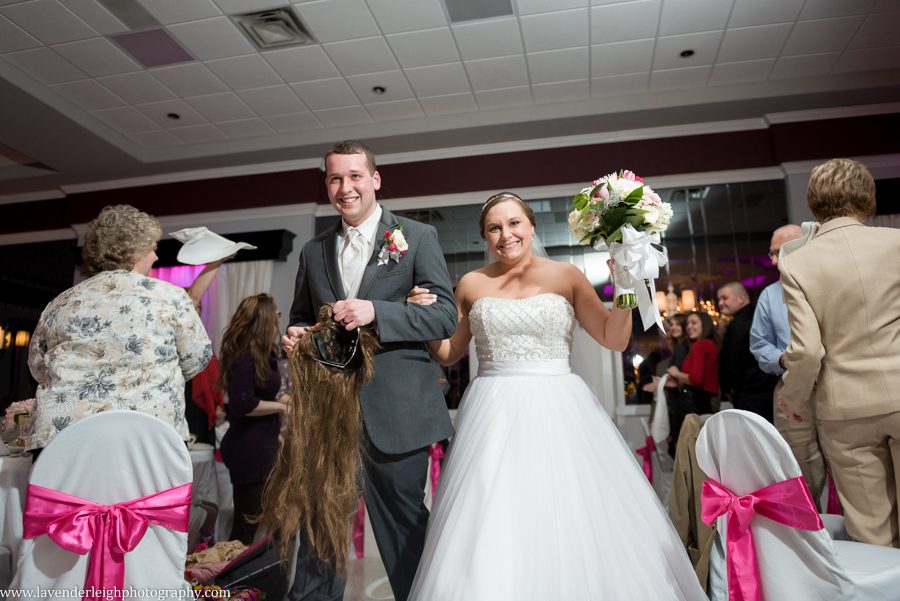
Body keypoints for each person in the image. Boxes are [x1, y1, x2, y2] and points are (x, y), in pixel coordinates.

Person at [405, 192, 706, 600]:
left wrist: (625, 288)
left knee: (567, 510)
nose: (505, 235)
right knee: (494, 518)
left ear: (531, 225)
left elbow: (614, 339)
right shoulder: (472, 284)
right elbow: (448, 352)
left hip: (560, 407)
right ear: (484, 237)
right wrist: (420, 319)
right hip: (492, 414)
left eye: (514, 224)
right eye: (494, 228)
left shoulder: (567, 276)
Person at [281, 140, 457, 601]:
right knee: (321, 532)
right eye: (335, 178)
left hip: (396, 414)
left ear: (375, 179)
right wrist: (296, 337)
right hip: (329, 416)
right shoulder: (313, 250)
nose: (346, 187)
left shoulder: (417, 237)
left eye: (355, 176)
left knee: (405, 534)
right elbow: (302, 315)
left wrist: (377, 311)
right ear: (327, 185)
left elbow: (443, 318)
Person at [778, 158, 900, 547]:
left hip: (844, 410)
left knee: (872, 533)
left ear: (813, 203)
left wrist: (793, 399)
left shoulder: (797, 263)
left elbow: (807, 350)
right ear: (869, 198)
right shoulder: (896, 244)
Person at [27, 205, 212, 451]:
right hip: (148, 440)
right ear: (135, 251)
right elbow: (197, 359)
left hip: (64, 443)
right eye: (153, 249)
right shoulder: (170, 296)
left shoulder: (61, 303)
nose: (156, 257)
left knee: (68, 491)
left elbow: (38, 366)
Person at [750, 224, 826, 509]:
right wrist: (783, 359)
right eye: (770, 254)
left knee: (847, 465)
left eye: (776, 253)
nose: (771, 261)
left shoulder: (829, 283)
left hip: (834, 383)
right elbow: (759, 344)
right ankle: (811, 537)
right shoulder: (770, 296)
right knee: (800, 470)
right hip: (791, 387)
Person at [218, 293, 287, 545]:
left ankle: (262, 579)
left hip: (260, 445)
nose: (279, 319)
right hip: (249, 451)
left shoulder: (261, 355)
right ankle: (232, 584)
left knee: (272, 523)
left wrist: (276, 432)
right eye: (276, 314)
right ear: (266, 319)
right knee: (246, 529)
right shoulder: (246, 356)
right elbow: (244, 404)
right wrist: (280, 407)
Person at [716, 281, 778, 421]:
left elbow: (730, 360)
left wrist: (727, 388)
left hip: (751, 394)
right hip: (770, 389)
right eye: (719, 299)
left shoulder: (738, 323)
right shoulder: (759, 316)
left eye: (724, 298)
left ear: (741, 299)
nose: (720, 303)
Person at [667, 311, 719, 442]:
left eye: (694, 323)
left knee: (687, 452)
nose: (689, 326)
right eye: (688, 323)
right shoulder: (712, 344)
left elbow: (696, 379)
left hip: (691, 403)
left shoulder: (698, 346)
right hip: (706, 403)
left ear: (705, 325)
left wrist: (676, 373)